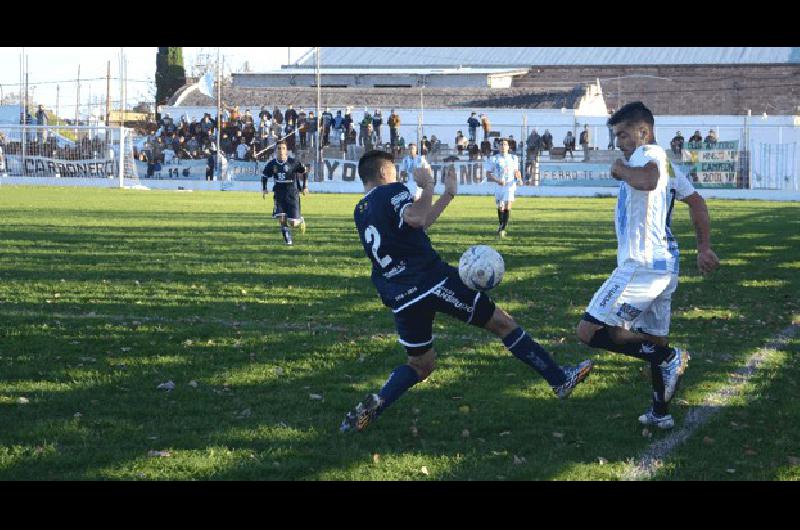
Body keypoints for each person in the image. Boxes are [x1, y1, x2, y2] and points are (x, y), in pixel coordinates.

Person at [340, 151, 593, 433]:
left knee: (421, 364)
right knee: (502, 323)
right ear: (385, 173)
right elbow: (416, 218)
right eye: (395, 172)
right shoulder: (393, 191)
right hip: (431, 280)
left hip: (400, 297)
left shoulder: (361, 211)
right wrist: (427, 185)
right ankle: (559, 378)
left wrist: (448, 195)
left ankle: (378, 403)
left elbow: (417, 226)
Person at [576, 101, 720, 430]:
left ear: (644, 132)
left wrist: (621, 170)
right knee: (653, 340)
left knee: (591, 331)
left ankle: (669, 360)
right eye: (616, 136)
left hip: (640, 266)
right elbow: (696, 201)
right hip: (663, 266)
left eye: (623, 135)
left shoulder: (649, 155)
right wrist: (704, 247)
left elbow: (648, 181)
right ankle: (660, 412)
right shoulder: (667, 163)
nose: (619, 142)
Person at [262, 141, 308, 246]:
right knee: (281, 218)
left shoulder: (293, 162)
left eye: (283, 148)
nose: (281, 151)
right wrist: (264, 188)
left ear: (286, 150)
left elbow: (304, 171)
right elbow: (265, 176)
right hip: (279, 193)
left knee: (293, 223)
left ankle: (300, 220)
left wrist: (305, 187)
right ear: (276, 150)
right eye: (279, 148)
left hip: (292, 193)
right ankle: (288, 239)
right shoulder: (272, 164)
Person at [484, 138, 522, 238]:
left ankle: (503, 228)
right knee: (500, 207)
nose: (503, 146)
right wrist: (497, 180)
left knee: (507, 204)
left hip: (510, 185)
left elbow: (516, 171)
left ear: (508, 147)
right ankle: (501, 224)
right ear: (498, 147)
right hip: (499, 185)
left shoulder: (513, 158)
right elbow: (488, 173)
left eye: (505, 144)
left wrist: (519, 178)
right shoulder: (494, 159)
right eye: (501, 144)